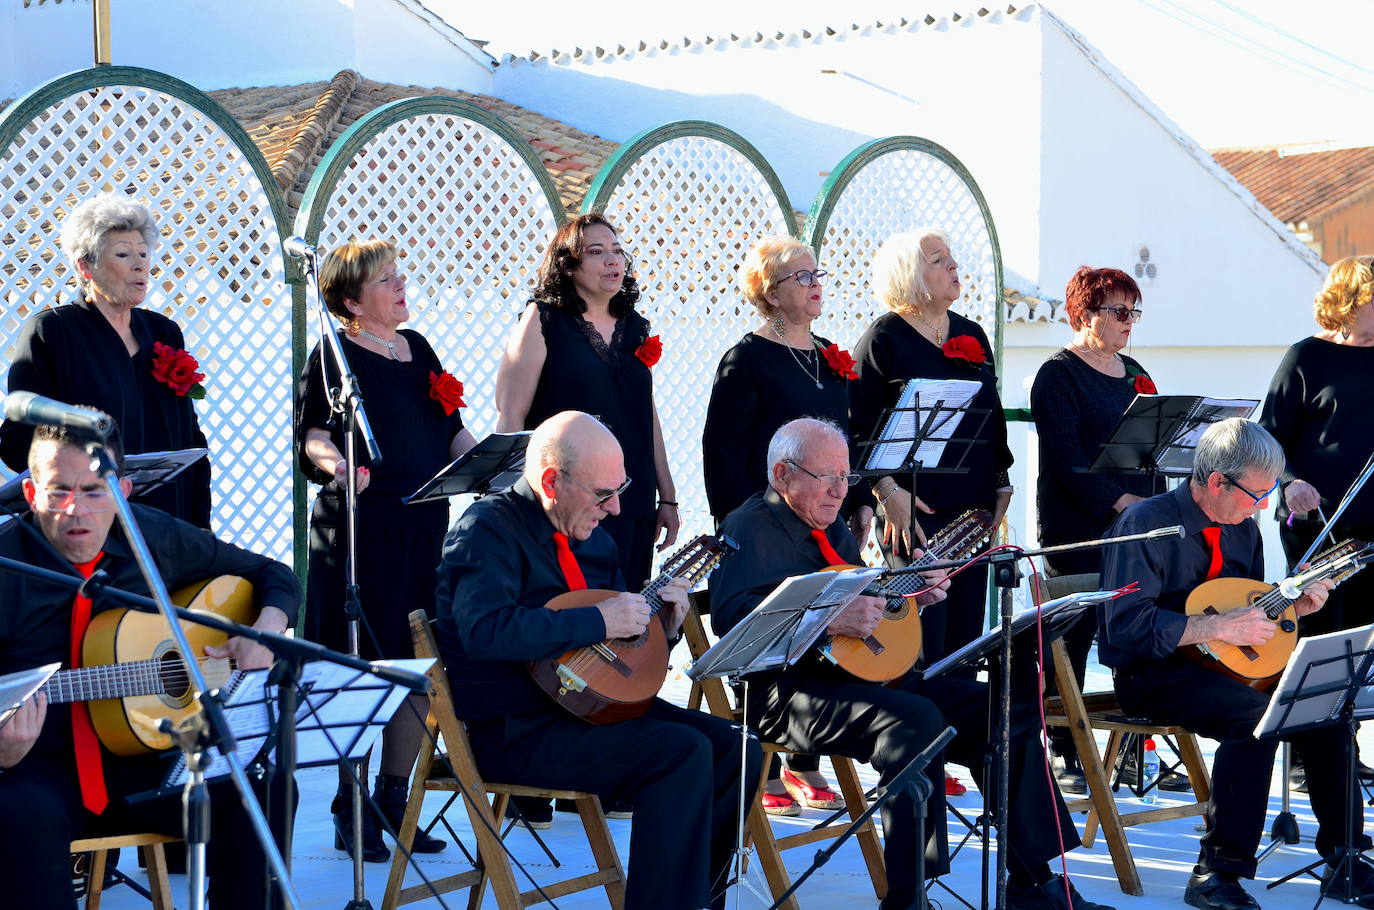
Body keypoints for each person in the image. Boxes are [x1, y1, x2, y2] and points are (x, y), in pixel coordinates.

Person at [710, 418, 1110, 910]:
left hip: (859, 679)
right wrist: (827, 620)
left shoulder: (827, 520)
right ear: (782, 474)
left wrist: (911, 597)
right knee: (916, 720)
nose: (840, 491)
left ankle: (1034, 882)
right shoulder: (748, 527)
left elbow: (859, 605)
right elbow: (731, 624)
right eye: (826, 477)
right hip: (786, 694)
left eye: (846, 477)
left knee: (1002, 705)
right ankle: (908, 895)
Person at [435, 411, 760, 910]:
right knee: (679, 753)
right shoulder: (487, 530)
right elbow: (485, 631)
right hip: (516, 730)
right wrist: (599, 621)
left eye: (621, 489)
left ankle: (699, 898)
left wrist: (663, 631)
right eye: (602, 494)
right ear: (550, 481)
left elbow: (610, 658)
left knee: (737, 750)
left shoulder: (596, 540)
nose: (615, 508)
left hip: (590, 711)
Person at [0, 420, 300, 910]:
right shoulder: (5, 566)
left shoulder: (149, 535)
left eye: (95, 491)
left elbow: (270, 573)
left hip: (143, 763)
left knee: (263, 789)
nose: (77, 509)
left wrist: (265, 628)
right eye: (58, 492)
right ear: (31, 492)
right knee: (16, 815)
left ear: (122, 490)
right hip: (36, 770)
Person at [1099, 418, 1372, 910]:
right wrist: (1215, 628)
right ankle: (1215, 872)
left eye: (1270, 493)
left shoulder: (1243, 529)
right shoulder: (1146, 524)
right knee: (1255, 719)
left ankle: (1345, 857)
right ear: (1216, 480)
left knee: (1325, 703)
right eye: (1256, 492)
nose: (1264, 505)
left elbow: (1246, 614)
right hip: (1153, 672)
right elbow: (1123, 627)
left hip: (1224, 670)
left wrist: (1293, 610)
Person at [296, 238, 477, 861]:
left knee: (417, 668)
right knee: (361, 668)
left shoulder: (418, 347)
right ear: (350, 299)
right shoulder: (333, 352)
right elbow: (312, 436)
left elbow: (453, 430)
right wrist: (338, 463)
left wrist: (496, 468)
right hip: (359, 531)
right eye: (386, 280)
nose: (402, 286)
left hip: (424, 527)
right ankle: (350, 808)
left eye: (401, 275)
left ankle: (393, 801)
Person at [702, 234, 859, 815]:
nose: (816, 283)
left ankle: (806, 759)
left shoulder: (830, 356)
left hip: (825, 518)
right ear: (770, 291)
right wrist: (744, 528)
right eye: (802, 276)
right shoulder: (746, 359)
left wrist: (856, 500)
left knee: (828, 620)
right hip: (764, 522)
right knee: (769, 623)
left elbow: (847, 441)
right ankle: (763, 762)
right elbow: (722, 453)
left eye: (818, 273)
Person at [849, 228, 1013, 671]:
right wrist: (886, 492)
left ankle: (961, 734)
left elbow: (992, 415)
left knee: (964, 643)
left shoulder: (971, 333)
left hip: (973, 504)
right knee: (923, 638)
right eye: (939, 259)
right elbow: (858, 428)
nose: (954, 266)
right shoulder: (883, 338)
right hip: (913, 507)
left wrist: (1002, 481)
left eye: (951, 257)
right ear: (910, 274)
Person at [0, 193, 212, 527]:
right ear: (85, 266)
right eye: (124, 254)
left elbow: (192, 441)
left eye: (143, 253)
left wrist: (200, 533)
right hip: (90, 525)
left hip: (169, 525)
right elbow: (17, 442)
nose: (140, 264)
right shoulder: (52, 331)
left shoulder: (163, 332)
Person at [495, 213, 679, 593]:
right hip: (570, 499)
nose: (613, 261)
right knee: (575, 610)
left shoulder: (635, 326)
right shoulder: (543, 319)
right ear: (569, 266)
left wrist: (669, 497)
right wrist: (512, 503)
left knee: (628, 614)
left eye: (617, 251)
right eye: (597, 252)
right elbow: (510, 413)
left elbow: (647, 415)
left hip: (633, 493)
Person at [1030, 266, 1161, 790]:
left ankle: (1130, 743)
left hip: (1136, 525)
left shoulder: (1133, 370)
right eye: (1120, 311)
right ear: (1084, 314)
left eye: (1134, 311)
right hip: (1080, 525)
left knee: (1137, 625)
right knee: (1075, 635)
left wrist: (1149, 504)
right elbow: (1065, 458)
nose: (1130, 322)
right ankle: (1065, 747)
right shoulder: (1057, 374)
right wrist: (1118, 500)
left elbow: (1154, 440)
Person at [1259, 255, 1374, 639]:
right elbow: (1269, 434)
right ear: (1351, 301)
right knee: (1321, 628)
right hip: (1316, 523)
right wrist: (1290, 482)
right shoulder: (1306, 357)